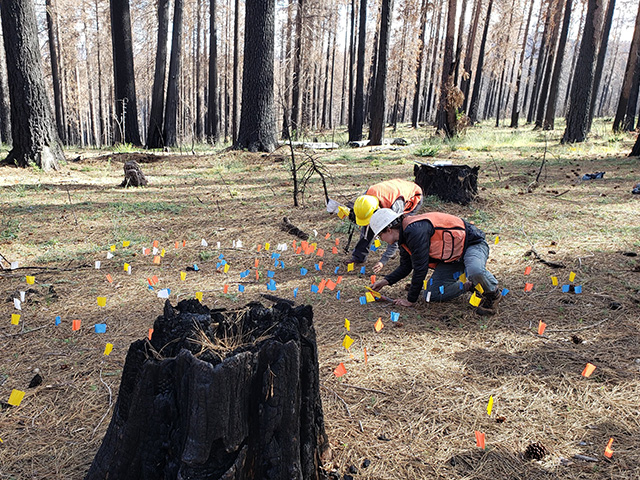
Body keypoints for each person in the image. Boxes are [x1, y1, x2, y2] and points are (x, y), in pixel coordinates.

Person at [369, 208, 501, 315]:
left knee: (475, 270)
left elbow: (420, 268)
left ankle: (492, 294)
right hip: (452, 259)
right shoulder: (403, 238)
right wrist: (385, 281)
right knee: (432, 294)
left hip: (471, 245)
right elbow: (406, 266)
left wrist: (410, 300)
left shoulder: (414, 231)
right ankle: (471, 285)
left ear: (388, 230)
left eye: (380, 236)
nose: (382, 240)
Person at [347, 179, 423, 273]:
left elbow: (395, 235)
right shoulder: (365, 200)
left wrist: (383, 261)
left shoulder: (394, 207)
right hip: (392, 191)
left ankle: (407, 261)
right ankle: (359, 256)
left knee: (404, 232)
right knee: (368, 228)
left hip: (413, 195)